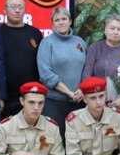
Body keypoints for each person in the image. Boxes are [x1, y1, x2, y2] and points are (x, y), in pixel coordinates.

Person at [82, 14, 120, 124]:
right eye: (112, 28)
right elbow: (87, 74)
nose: (115, 32)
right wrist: (95, 98)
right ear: (105, 30)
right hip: (99, 105)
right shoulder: (95, 48)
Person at [37, 7, 88, 137]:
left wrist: (82, 89)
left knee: (78, 140)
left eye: (64, 19)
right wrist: (69, 93)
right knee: (57, 141)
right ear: (53, 23)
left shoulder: (80, 42)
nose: (61, 22)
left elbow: (87, 69)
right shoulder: (47, 43)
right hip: (55, 103)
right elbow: (46, 75)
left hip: (79, 102)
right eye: (57, 20)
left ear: (70, 21)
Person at [0, 0, 43, 119]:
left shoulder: (35, 33)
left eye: (20, 7)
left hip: (30, 97)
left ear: (25, 10)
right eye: (13, 6)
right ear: (5, 10)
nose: (17, 10)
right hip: (5, 98)